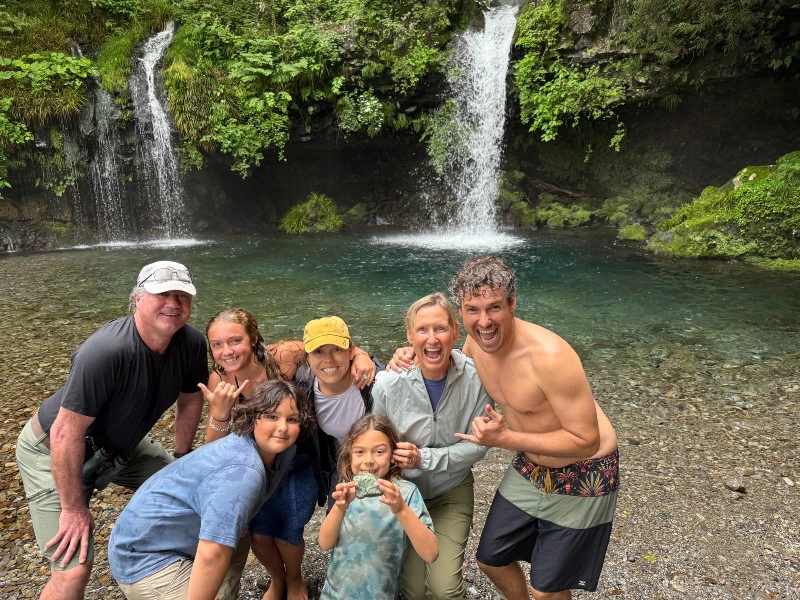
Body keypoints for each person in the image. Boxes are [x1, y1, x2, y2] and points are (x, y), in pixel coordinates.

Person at [428, 255, 619, 600]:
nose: (484, 322)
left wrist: (505, 439)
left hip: (586, 469)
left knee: (546, 590)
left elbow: (586, 440)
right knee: (491, 558)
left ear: (512, 304)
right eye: (473, 310)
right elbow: (445, 368)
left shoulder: (549, 357)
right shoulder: (473, 344)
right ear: (461, 311)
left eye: (494, 308)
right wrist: (410, 353)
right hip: (532, 465)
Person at [15, 260, 207, 600]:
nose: (173, 304)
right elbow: (64, 433)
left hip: (121, 447)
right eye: (162, 294)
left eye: (182, 296)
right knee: (73, 567)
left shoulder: (191, 343)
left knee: (190, 497)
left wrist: (181, 458)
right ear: (137, 297)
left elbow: (191, 400)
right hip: (52, 449)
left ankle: (171, 573)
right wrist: (74, 509)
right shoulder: (106, 351)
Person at [200, 310, 376, 600]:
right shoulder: (220, 381)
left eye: (235, 340)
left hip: (297, 460)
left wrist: (361, 355)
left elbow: (328, 347)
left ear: (254, 338)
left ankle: (295, 578)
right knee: (258, 533)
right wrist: (218, 414)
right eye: (217, 345)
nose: (226, 351)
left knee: (289, 528)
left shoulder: (283, 357)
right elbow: (212, 449)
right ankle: (277, 579)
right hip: (255, 467)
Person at [108, 379, 314, 600]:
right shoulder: (244, 471)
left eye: (292, 419)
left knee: (239, 532)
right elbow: (212, 553)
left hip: (171, 539)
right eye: (272, 417)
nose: (282, 428)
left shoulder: (283, 451)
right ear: (253, 417)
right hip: (145, 560)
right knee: (224, 544)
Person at [372, 292, 491, 600]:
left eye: (440, 329)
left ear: (455, 331)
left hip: (452, 491)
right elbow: (376, 442)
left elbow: (479, 447)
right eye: (422, 330)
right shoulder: (388, 383)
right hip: (406, 496)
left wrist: (423, 458)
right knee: (413, 591)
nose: (432, 339)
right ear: (410, 335)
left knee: (445, 590)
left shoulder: (477, 379)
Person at [318, 414, 438, 599]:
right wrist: (339, 508)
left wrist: (401, 509)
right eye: (359, 452)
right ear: (349, 455)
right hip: (335, 594)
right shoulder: (347, 489)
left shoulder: (405, 493)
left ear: (392, 455)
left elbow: (431, 553)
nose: (368, 460)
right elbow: (325, 543)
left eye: (379, 451)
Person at [297, 316, 383, 507]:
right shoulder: (303, 385)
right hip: (340, 461)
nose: (328, 359)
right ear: (307, 358)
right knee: (337, 528)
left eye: (336, 349)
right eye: (318, 351)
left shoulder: (375, 381)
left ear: (351, 351)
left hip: (381, 463)